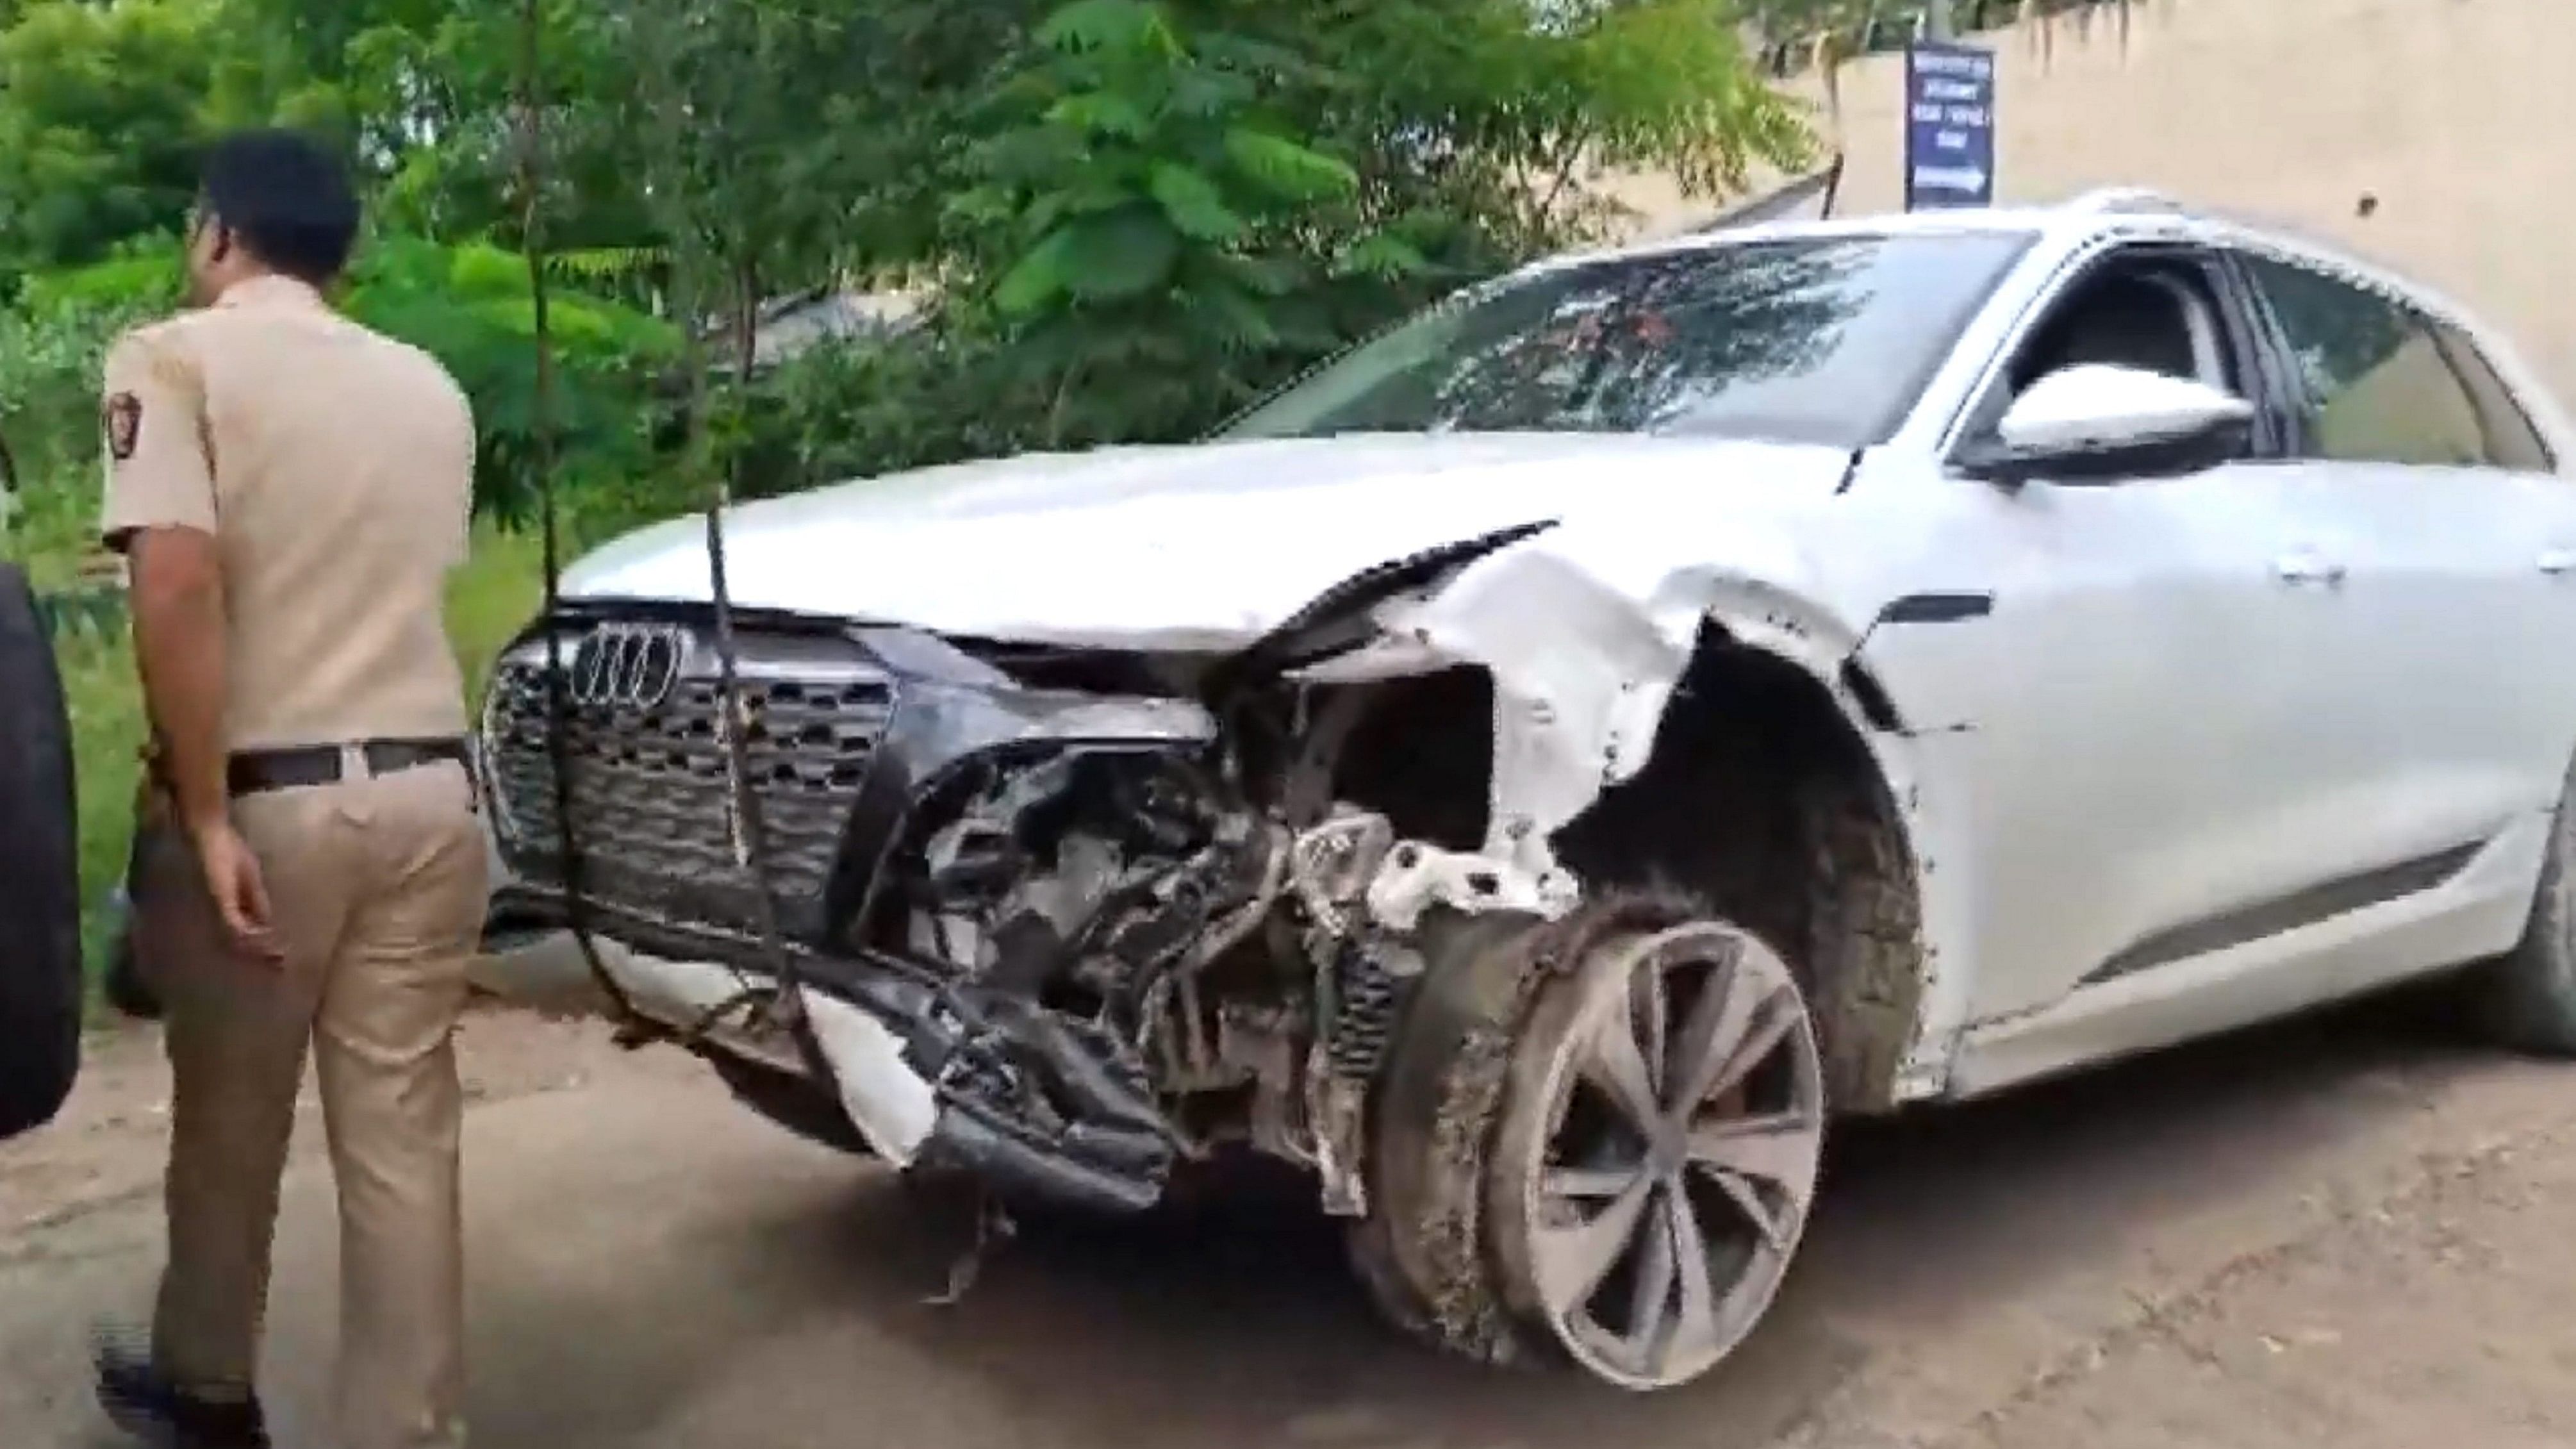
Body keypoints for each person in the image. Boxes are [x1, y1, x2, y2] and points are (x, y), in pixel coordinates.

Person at [92, 128, 486, 1449]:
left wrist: (202, 816)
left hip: (273, 807)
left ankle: (206, 1389)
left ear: (216, 234)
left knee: (231, 1125)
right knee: (403, 1142)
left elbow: (178, 584)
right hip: (434, 797)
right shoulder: (430, 386)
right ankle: (407, 1428)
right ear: (345, 254)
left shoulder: (173, 358)